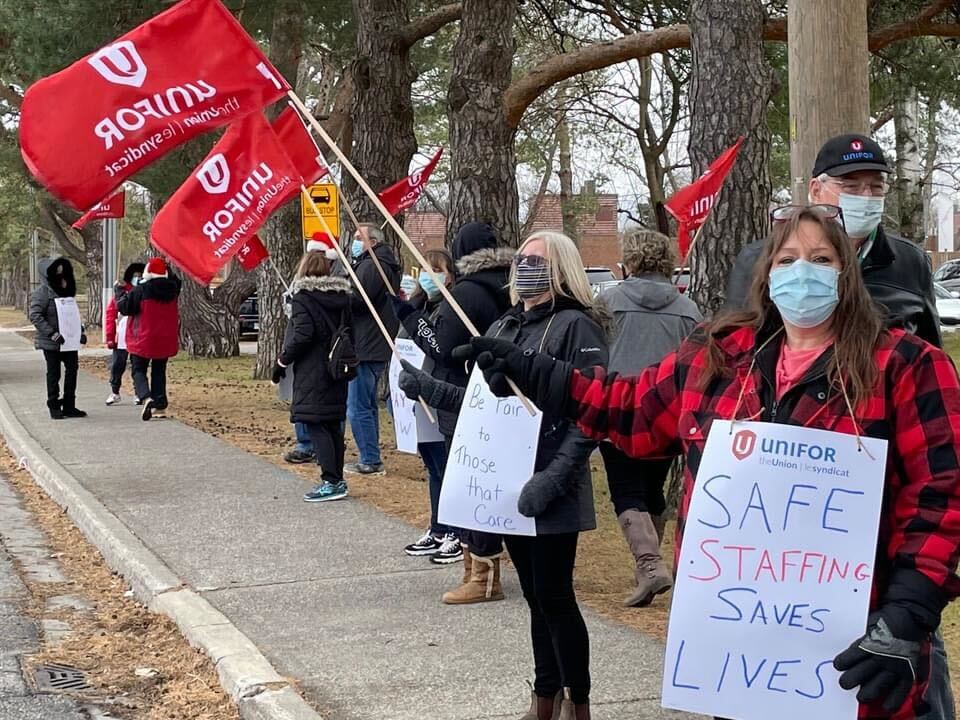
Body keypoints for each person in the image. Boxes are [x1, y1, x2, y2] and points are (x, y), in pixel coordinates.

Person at [464, 207, 959, 720]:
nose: (802, 273)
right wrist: (536, 372)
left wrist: (907, 615)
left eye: (820, 259)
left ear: (845, 272)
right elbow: (630, 407)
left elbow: (942, 498)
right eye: (788, 259)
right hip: (737, 659)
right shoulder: (719, 356)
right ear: (768, 274)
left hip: (855, 658)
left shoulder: (908, 366)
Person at [401, 231, 608, 718]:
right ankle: (544, 697)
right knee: (536, 599)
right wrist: (429, 387)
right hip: (508, 486)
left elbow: (592, 413)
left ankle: (579, 703)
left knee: (556, 598)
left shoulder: (577, 327)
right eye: (522, 259)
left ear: (561, 268)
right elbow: (481, 406)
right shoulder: (507, 324)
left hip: (551, 483)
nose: (524, 267)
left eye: (536, 260)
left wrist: (555, 479)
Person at [725, 133, 941, 347]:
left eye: (876, 186)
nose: (866, 197)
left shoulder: (910, 261)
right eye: (850, 186)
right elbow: (736, 345)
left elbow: (929, 352)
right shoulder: (762, 258)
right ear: (816, 190)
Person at [392, 222, 515, 576]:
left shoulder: (467, 292)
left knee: (458, 470)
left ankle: (467, 543)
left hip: (459, 391)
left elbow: (441, 346)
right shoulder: (509, 285)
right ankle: (457, 534)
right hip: (496, 387)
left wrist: (411, 318)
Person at [598, 229, 702, 607]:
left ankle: (650, 564)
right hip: (667, 414)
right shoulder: (688, 310)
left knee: (626, 490)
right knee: (653, 489)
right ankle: (649, 567)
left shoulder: (608, 301)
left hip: (619, 408)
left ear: (630, 259)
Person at [393, 249, 462, 561]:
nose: (428, 276)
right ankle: (438, 526)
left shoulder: (451, 309)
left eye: (436, 270)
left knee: (448, 466)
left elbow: (439, 347)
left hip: (442, 392)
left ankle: (456, 531)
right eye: (424, 269)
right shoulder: (418, 306)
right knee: (433, 466)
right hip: (418, 395)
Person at [273, 244, 354, 503]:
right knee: (332, 424)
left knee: (316, 423)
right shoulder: (343, 298)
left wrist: (283, 360)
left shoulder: (303, 298)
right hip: (336, 366)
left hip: (313, 368)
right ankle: (337, 477)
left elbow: (303, 334)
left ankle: (331, 480)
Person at [345, 223, 400, 475]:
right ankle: (370, 453)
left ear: (373, 242)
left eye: (359, 238)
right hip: (371, 343)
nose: (354, 241)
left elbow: (358, 300)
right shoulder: (379, 264)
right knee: (365, 403)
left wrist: (338, 294)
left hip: (366, 345)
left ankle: (370, 458)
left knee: (358, 405)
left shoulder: (372, 266)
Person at [115, 256, 181, 421]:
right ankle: (160, 405)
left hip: (142, 337)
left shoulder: (141, 290)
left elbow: (124, 308)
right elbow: (175, 280)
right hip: (164, 338)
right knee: (159, 370)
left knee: (138, 369)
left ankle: (145, 396)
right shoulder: (173, 290)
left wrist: (119, 292)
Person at [29, 257, 87, 419]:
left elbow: (73, 315)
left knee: (72, 371)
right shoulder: (42, 293)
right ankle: (53, 404)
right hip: (51, 342)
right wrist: (52, 333)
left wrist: (79, 333)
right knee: (54, 373)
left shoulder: (66, 289)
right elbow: (35, 315)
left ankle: (69, 405)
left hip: (69, 342)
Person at [104, 262, 145, 405]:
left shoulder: (144, 292)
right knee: (117, 365)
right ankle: (115, 391)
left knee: (137, 366)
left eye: (140, 276)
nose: (138, 279)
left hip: (137, 335)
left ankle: (139, 393)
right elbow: (111, 316)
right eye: (135, 276)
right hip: (121, 337)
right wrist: (110, 337)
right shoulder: (120, 293)